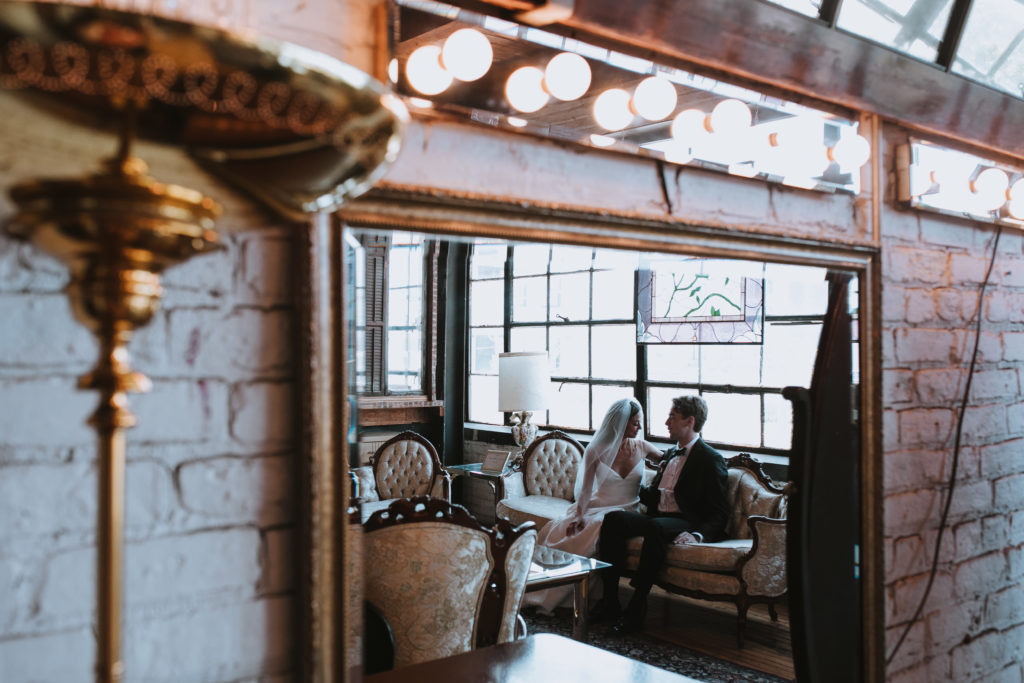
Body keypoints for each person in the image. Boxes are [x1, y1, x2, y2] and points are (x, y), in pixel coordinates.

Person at [594, 395, 729, 634]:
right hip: (657, 519)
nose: (666, 422)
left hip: (684, 521)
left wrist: (697, 535)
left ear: (689, 421)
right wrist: (624, 487)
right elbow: (654, 496)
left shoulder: (710, 459)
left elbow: (719, 513)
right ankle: (610, 601)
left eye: (672, 417)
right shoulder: (669, 455)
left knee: (656, 528)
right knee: (614, 519)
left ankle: (637, 607)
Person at [523, 397, 661, 613]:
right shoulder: (597, 449)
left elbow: (672, 465)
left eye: (639, 422)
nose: (640, 427)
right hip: (598, 506)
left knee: (599, 528)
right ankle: (555, 592)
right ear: (621, 423)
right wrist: (579, 514)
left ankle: (598, 597)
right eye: (635, 423)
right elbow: (586, 490)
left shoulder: (643, 447)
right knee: (569, 530)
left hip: (627, 513)